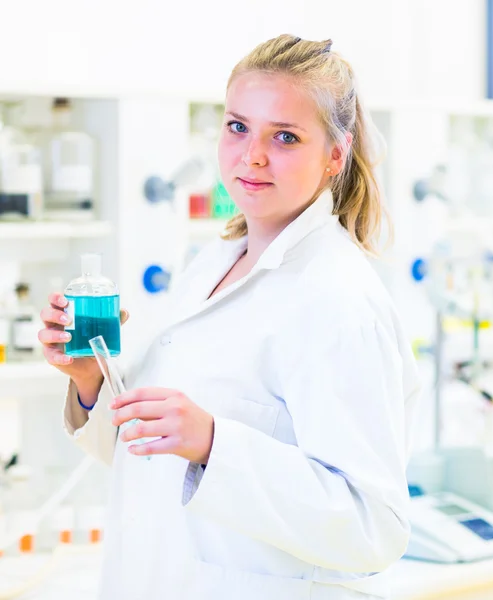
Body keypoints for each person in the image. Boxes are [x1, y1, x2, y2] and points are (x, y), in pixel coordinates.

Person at [39, 34, 421, 600]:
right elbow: (150, 461)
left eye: (285, 136)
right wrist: (92, 383)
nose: (253, 155)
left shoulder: (338, 299)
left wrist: (215, 444)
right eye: (238, 126)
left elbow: (374, 527)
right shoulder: (213, 265)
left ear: (334, 156)